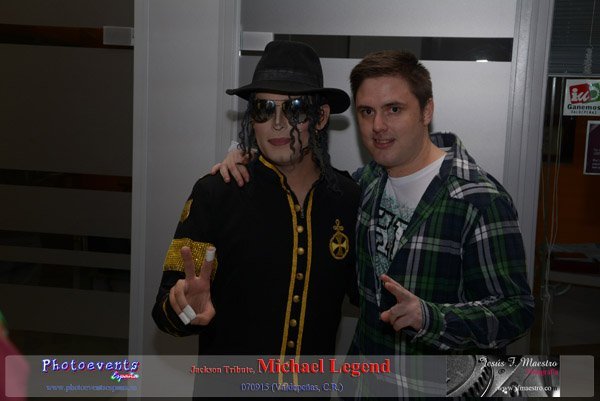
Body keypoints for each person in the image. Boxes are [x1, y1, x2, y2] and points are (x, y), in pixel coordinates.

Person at [215, 49, 535, 397]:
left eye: (394, 109)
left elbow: (517, 311)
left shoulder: (478, 199)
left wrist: (431, 318)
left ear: (426, 110)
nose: (378, 126)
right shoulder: (361, 186)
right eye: (367, 111)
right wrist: (247, 157)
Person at [152, 41, 359, 361]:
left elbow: (369, 298)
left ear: (320, 117)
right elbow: (165, 311)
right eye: (264, 108)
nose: (277, 122)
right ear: (252, 120)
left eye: (295, 108)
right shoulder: (217, 194)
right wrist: (185, 310)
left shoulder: (347, 199)